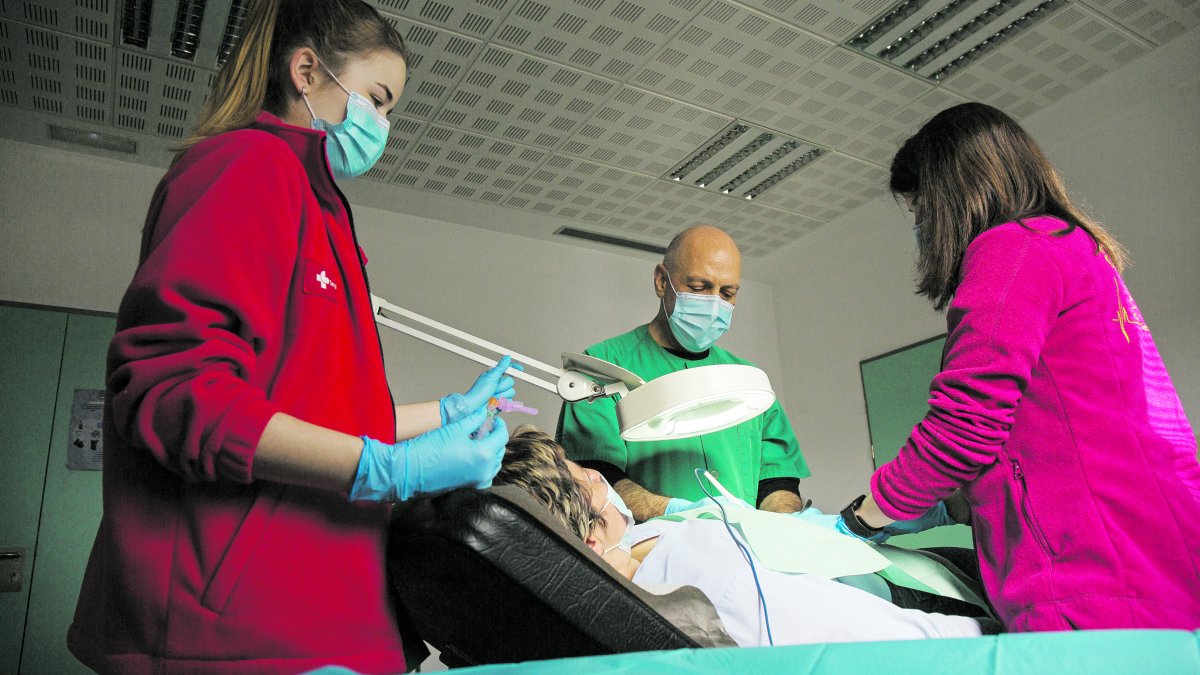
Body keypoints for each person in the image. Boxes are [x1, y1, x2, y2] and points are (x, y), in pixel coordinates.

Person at [67, 1, 514, 672]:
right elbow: (174, 393)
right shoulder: (249, 167)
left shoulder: (323, 208)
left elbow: (315, 413)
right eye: (378, 99)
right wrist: (388, 467)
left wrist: (442, 415)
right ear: (307, 69)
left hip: (328, 614)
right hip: (232, 628)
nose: (384, 126)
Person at [835, 102, 1200, 633]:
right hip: (1154, 560)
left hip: (1091, 582)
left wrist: (861, 518)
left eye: (921, 213)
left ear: (951, 199)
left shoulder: (1012, 250)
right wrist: (949, 505)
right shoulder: (1074, 251)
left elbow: (963, 426)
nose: (921, 229)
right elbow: (1053, 433)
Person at [495, 426, 991, 647]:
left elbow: (782, 528)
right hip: (904, 597)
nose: (597, 475)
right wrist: (1004, 645)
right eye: (582, 475)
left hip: (883, 555)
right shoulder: (703, 577)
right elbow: (866, 638)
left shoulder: (658, 532)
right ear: (587, 542)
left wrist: (917, 510)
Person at [557, 225, 809, 521]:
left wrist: (783, 527)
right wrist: (681, 515)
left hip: (743, 554)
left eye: (727, 293)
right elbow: (594, 479)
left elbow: (777, 481)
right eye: (700, 288)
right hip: (651, 554)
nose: (715, 304)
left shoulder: (749, 382)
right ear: (662, 281)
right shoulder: (602, 366)